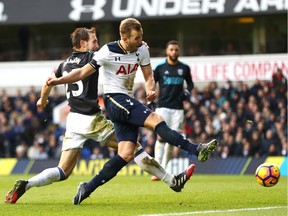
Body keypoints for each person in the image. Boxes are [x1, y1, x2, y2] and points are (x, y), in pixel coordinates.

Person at [5, 27, 195, 204]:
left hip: (73, 121)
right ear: (82, 44)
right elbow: (118, 48)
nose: (97, 45)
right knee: (133, 149)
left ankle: (27, 184)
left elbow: (48, 82)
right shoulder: (93, 56)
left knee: (63, 171)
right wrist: (138, 44)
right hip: (91, 119)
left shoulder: (63, 64)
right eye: (94, 41)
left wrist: (42, 100)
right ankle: (172, 181)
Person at [46, 18, 218, 205]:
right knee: (155, 118)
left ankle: (87, 188)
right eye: (137, 38)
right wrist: (58, 81)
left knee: (126, 153)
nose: (141, 41)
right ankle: (196, 149)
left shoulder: (141, 49)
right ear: (124, 38)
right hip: (114, 99)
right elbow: (80, 73)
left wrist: (150, 89)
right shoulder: (107, 51)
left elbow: (148, 76)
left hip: (126, 99)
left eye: (141, 36)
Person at [151, 40, 194, 181]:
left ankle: (164, 168)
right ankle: (157, 168)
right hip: (162, 106)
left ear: (179, 51)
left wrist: (187, 93)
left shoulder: (184, 68)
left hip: (178, 109)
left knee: (172, 140)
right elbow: (151, 82)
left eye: (176, 49)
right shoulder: (160, 68)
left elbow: (191, 83)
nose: (174, 52)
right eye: (171, 49)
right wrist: (151, 98)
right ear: (167, 51)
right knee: (160, 136)